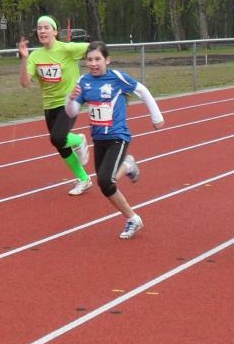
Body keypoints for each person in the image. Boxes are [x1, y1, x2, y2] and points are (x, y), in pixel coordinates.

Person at [65, 41, 164, 239]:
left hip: (118, 137)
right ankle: (133, 218)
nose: (93, 63)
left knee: (105, 179)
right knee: (105, 185)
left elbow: (142, 91)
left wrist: (157, 117)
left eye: (97, 59)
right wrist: (70, 98)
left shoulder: (117, 78)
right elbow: (72, 112)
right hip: (98, 138)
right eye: (89, 60)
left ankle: (127, 166)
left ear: (107, 60)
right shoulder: (83, 81)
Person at [18, 15, 92, 195]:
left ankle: (79, 140)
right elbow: (25, 83)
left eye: (46, 27)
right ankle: (84, 179)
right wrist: (24, 58)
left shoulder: (68, 49)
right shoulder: (35, 56)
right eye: (39, 28)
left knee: (57, 138)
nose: (42, 31)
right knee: (60, 145)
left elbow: (96, 49)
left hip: (69, 101)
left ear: (55, 31)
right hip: (49, 105)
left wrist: (95, 70)